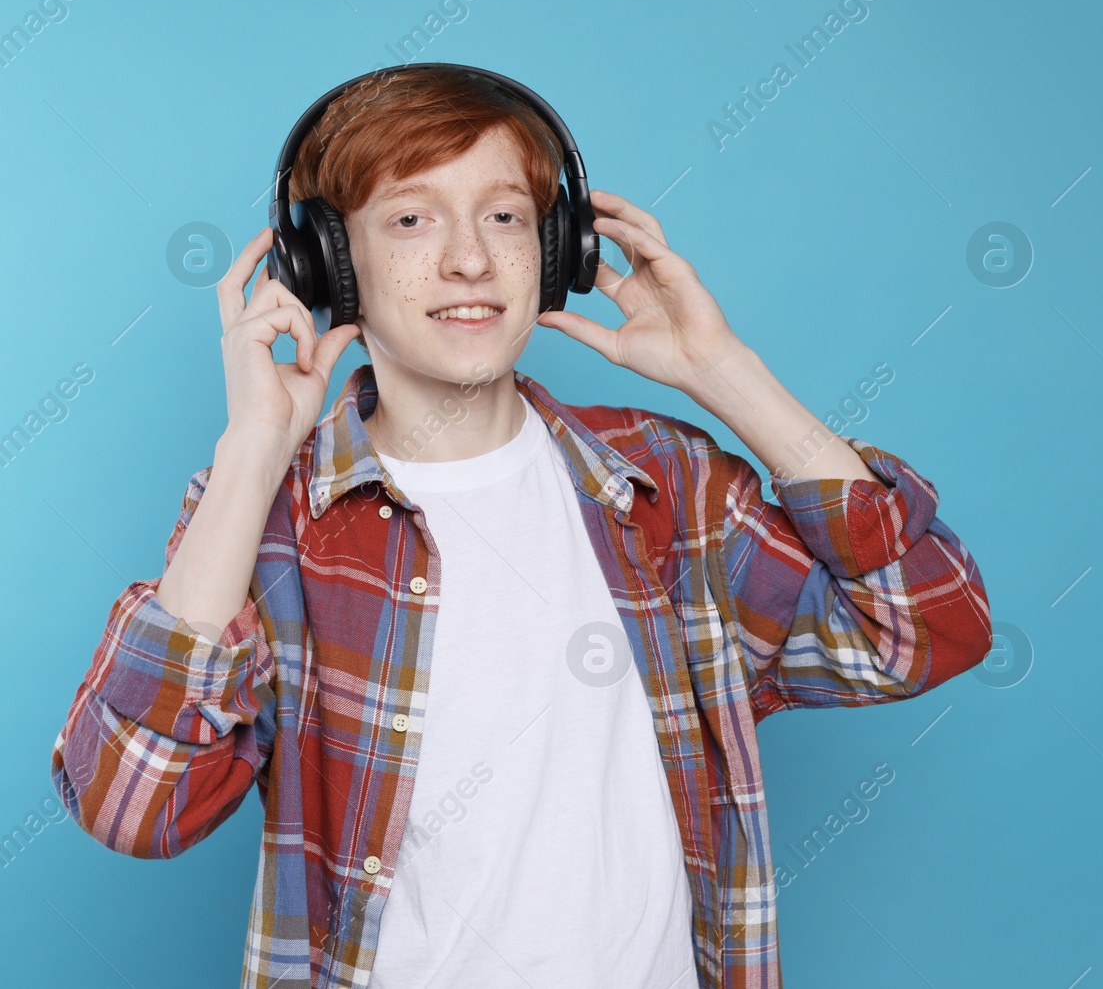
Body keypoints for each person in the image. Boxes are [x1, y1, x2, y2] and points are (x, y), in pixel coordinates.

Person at [49, 64, 992, 989]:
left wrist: (725, 373)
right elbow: (135, 807)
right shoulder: (269, 517)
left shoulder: (662, 480)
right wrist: (252, 452)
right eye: (411, 218)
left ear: (558, 249)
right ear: (330, 265)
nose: (469, 258)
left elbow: (924, 632)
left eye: (503, 216)